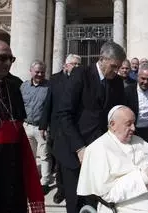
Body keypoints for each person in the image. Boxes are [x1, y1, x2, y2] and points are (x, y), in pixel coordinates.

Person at [0, 38, 45, 213]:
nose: (8, 63)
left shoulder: (14, 84)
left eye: (11, 59)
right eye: (2, 57)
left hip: (12, 161)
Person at [56, 41, 126, 213]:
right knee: (75, 202)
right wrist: (80, 148)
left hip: (99, 153)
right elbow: (64, 114)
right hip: (73, 150)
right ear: (102, 59)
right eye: (113, 66)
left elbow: (118, 113)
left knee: (95, 202)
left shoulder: (116, 82)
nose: (116, 71)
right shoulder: (81, 75)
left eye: (118, 67)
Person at [39, 54, 81, 204]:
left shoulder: (81, 79)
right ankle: (61, 190)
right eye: (73, 64)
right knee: (58, 162)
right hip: (57, 127)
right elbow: (48, 103)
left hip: (73, 128)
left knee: (71, 162)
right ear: (65, 65)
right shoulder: (55, 80)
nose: (76, 67)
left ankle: (73, 190)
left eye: (78, 64)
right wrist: (43, 125)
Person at [20, 60, 52, 193]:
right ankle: (30, 178)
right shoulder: (24, 86)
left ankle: (45, 182)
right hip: (27, 126)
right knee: (29, 155)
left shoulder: (50, 87)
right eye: (37, 71)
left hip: (42, 128)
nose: (40, 74)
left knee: (44, 155)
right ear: (31, 71)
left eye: (42, 72)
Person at [124, 64, 148, 146]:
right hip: (133, 131)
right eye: (143, 78)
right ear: (137, 77)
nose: (145, 82)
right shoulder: (128, 91)